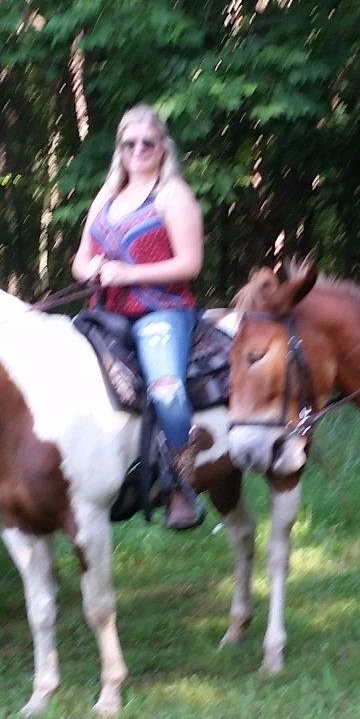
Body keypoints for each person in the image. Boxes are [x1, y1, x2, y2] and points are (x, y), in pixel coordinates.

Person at [72, 104, 206, 531]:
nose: (139, 150)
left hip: (161, 311)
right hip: (105, 312)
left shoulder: (173, 195)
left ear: (163, 147)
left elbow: (190, 263)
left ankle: (180, 485)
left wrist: (130, 273)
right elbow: (79, 260)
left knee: (166, 390)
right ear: (120, 150)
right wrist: (90, 270)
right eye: (130, 143)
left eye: (148, 142)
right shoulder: (106, 197)